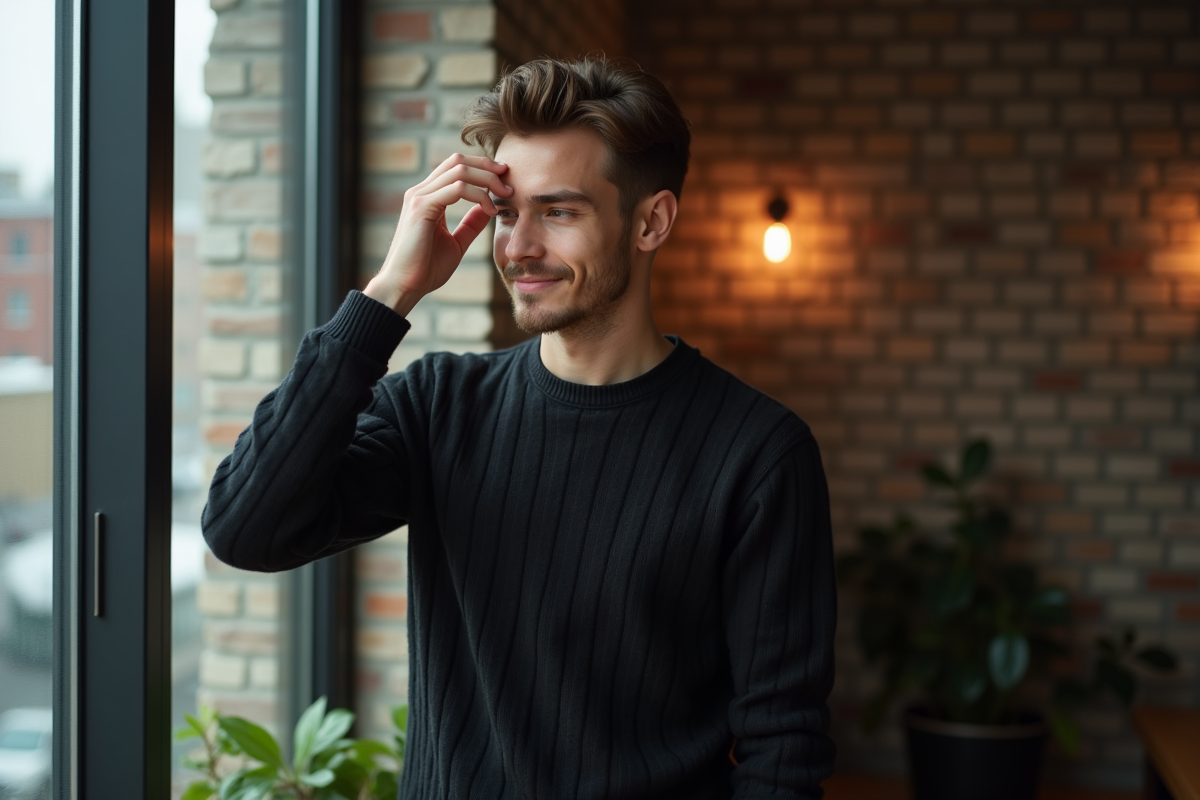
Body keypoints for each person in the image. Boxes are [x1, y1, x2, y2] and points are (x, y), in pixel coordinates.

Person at [203, 56, 836, 799]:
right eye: (508, 213)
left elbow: (782, 749)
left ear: (651, 221)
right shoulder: (438, 406)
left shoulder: (758, 455)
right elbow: (245, 528)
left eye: (558, 211)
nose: (517, 248)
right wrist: (387, 295)